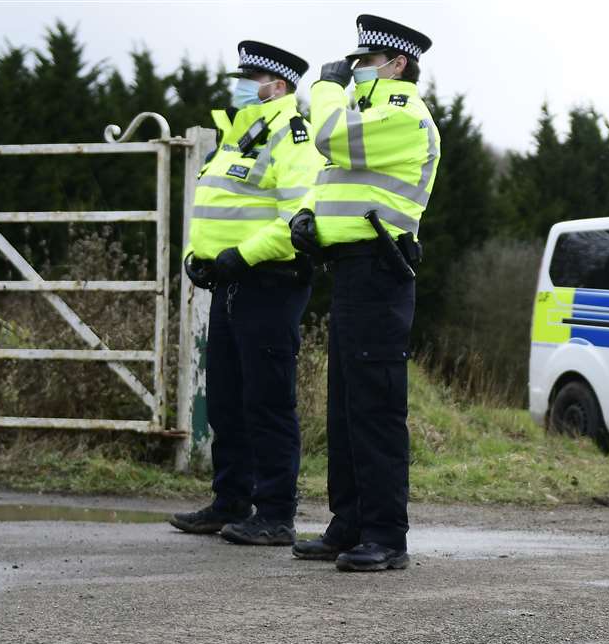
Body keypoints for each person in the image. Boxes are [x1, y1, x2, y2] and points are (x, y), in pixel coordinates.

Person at [287, 14, 441, 572]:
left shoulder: (403, 114)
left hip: (379, 268)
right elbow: (330, 174)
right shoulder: (368, 113)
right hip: (350, 268)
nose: (356, 72)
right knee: (347, 404)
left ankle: (385, 534)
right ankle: (348, 523)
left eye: (366, 63)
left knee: (374, 405)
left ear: (397, 64)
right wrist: (307, 215)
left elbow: (329, 139)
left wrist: (325, 87)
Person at [169, 41, 325, 545]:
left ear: (276, 87)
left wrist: (241, 256)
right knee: (227, 401)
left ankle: (276, 512)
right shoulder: (238, 136)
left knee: (267, 400)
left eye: (249, 78)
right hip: (230, 281)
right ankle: (231, 499)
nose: (238, 86)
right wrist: (199, 256)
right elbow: (218, 206)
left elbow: (298, 217)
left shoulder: (292, 136)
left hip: (271, 282)